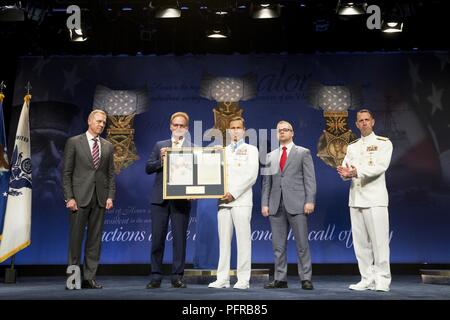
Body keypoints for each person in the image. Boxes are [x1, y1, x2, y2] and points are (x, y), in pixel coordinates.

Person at [337, 109, 393, 292]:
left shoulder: (383, 143)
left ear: (373, 121)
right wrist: (344, 173)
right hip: (356, 199)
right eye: (360, 120)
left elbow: (380, 167)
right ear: (356, 124)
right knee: (361, 244)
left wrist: (355, 172)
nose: (364, 123)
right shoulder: (352, 146)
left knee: (379, 243)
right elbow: (347, 169)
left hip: (375, 199)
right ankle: (366, 278)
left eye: (367, 119)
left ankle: (383, 280)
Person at [62, 109, 115, 289]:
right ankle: (73, 280)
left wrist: (110, 196)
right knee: (75, 240)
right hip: (79, 198)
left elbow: (110, 175)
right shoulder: (74, 142)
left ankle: (89, 278)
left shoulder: (108, 146)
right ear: (89, 121)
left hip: (99, 198)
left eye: (103, 122)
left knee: (94, 240)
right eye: (99, 121)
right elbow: (67, 173)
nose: (101, 125)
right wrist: (69, 197)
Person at [261, 120, 316, 290]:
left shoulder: (303, 153)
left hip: (298, 204)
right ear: (277, 134)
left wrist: (310, 200)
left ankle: (305, 278)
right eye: (280, 130)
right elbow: (266, 183)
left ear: (292, 133)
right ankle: (280, 279)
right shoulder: (270, 156)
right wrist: (265, 203)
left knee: (302, 244)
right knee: (278, 245)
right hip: (276, 205)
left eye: (286, 130)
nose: (283, 132)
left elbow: (310, 179)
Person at [208, 117, 259, 290]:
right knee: (224, 242)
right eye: (232, 128)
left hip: (241, 201)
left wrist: (234, 193)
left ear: (244, 130)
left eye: (238, 128)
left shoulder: (251, 150)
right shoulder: (222, 150)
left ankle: (243, 279)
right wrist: (211, 157)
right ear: (228, 131)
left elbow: (251, 176)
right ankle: (222, 278)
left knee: (243, 242)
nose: (235, 131)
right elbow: (214, 175)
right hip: (223, 202)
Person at [145, 111, 192, 289]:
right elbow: (148, 168)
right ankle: (156, 275)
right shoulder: (160, 145)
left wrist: (195, 190)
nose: (178, 128)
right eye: (176, 125)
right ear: (170, 126)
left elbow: (198, 174)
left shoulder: (192, 147)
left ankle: (177, 276)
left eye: (182, 125)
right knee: (157, 239)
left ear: (186, 128)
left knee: (180, 240)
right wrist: (162, 161)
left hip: (182, 200)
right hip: (160, 199)